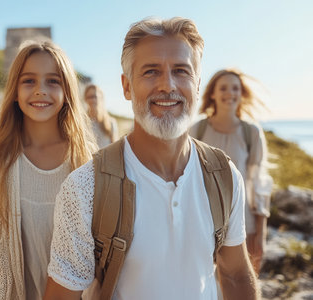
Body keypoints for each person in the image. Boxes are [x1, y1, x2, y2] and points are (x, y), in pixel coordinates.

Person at [44, 17, 260, 299]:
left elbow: (235, 275)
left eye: (181, 71)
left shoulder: (224, 176)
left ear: (197, 84)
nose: (167, 85)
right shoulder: (84, 188)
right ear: (126, 86)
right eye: (151, 72)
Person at [0, 40, 97, 300]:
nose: (40, 90)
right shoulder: (3, 160)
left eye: (53, 81)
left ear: (67, 90)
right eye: (29, 81)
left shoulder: (87, 162)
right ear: (15, 91)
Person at [190, 68, 273, 273]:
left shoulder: (251, 133)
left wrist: (259, 234)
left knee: (238, 283)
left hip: (243, 224)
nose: (230, 93)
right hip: (202, 223)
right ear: (212, 94)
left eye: (235, 88)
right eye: (224, 88)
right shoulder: (197, 130)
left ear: (242, 94)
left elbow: (259, 183)